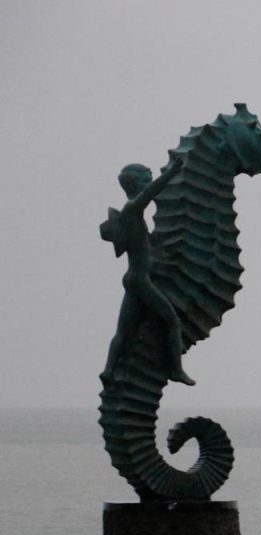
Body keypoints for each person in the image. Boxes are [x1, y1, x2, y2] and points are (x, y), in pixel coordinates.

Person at [100, 153, 196, 387]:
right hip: (140, 279)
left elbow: (145, 246)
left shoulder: (131, 214)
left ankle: (108, 371)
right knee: (172, 321)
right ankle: (176, 369)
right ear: (135, 185)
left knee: (124, 330)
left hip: (134, 278)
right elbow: (150, 194)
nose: (149, 184)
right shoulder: (132, 208)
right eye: (146, 180)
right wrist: (171, 173)